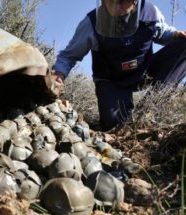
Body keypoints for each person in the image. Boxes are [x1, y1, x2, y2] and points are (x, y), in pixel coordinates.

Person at [51, 0, 186, 131]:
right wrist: (59, 74)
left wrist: (174, 34)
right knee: (116, 126)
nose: (116, 7)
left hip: (143, 72)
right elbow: (69, 55)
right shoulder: (91, 22)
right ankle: (120, 119)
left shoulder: (150, 13)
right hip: (112, 81)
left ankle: (148, 111)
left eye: (122, 1)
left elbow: (162, 32)